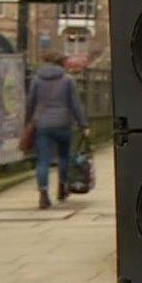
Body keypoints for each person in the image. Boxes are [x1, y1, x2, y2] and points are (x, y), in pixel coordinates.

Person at [25, 52, 89, 209]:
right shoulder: (68, 80)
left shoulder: (37, 80)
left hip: (42, 125)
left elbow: (30, 103)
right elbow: (75, 104)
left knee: (43, 160)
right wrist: (83, 124)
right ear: (61, 63)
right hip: (63, 124)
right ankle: (62, 187)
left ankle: (43, 194)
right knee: (64, 157)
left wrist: (27, 122)